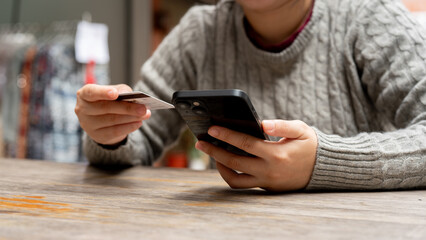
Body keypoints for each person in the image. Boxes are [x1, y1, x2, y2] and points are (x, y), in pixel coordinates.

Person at [75, 0, 426, 192]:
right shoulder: (201, 31)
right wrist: (108, 134)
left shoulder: (369, 15)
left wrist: (324, 163)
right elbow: (136, 143)